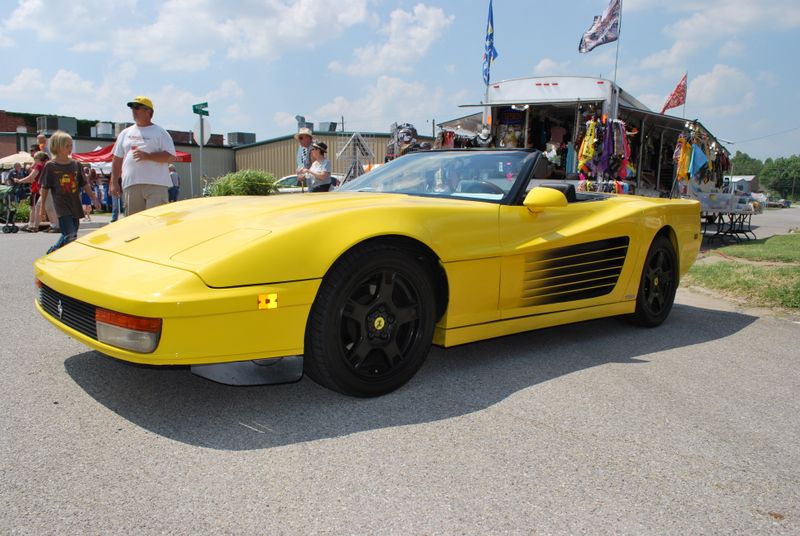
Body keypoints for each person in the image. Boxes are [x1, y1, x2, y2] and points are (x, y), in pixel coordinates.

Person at [109, 96, 176, 216]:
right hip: (131, 184)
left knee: (155, 222)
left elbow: (171, 157)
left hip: (156, 184)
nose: (133, 110)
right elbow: (117, 158)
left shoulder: (161, 132)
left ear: (148, 111)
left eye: (137, 107)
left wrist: (148, 156)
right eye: (132, 108)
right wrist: (113, 182)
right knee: (134, 223)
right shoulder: (125, 133)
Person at [37, 131, 99, 254]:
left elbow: (84, 183)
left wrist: (93, 198)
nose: (70, 148)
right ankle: (57, 253)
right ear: (57, 147)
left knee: (71, 234)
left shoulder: (76, 164)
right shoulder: (50, 166)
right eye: (67, 146)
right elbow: (45, 188)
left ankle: (54, 252)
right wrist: (42, 207)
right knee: (70, 234)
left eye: (71, 145)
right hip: (62, 206)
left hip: (75, 204)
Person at [14, 151, 51, 232]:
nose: (34, 160)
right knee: (42, 207)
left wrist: (19, 181)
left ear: (38, 158)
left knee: (41, 208)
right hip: (46, 188)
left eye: (35, 158)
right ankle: (35, 226)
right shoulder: (46, 164)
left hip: (42, 189)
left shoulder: (39, 165)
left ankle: (53, 225)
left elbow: (31, 177)